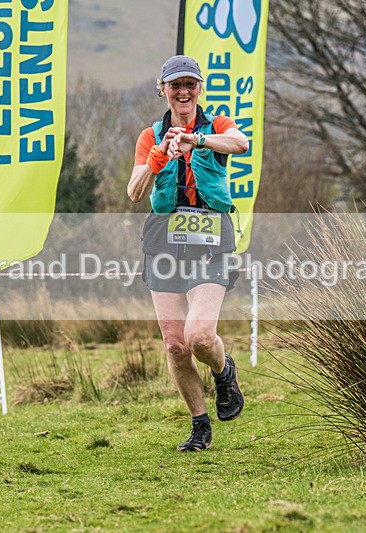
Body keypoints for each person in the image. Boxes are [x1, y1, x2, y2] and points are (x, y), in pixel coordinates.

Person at [127, 55, 249, 451]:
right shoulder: (151, 136)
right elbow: (134, 191)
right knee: (175, 344)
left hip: (211, 240)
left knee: (199, 336)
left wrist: (196, 140)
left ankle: (223, 369)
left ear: (200, 90)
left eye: (190, 85)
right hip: (164, 242)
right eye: (175, 85)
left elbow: (240, 143)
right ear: (162, 90)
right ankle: (200, 424)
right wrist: (160, 155)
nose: (183, 92)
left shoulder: (216, 126)